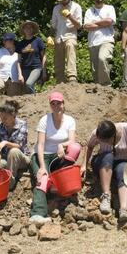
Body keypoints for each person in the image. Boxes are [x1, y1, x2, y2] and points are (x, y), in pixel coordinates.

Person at [81, 120, 127, 223]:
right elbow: (89, 147)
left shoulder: (126, 128)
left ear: (113, 136)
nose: (104, 143)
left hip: (121, 161)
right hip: (102, 162)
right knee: (108, 156)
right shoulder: (97, 133)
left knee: (124, 170)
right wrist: (83, 165)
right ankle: (106, 196)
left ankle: (124, 210)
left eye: (106, 141)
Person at [29, 91, 76, 225]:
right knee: (43, 178)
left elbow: (72, 141)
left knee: (76, 148)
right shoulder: (44, 120)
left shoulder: (70, 120)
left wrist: (62, 144)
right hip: (42, 155)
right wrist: (42, 167)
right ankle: (37, 214)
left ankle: (60, 181)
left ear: (63, 104)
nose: (56, 106)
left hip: (57, 156)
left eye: (59, 103)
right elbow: (40, 145)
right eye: (53, 103)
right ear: (50, 105)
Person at [83, 0, 117, 86]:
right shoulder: (89, 11)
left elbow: (109, 21)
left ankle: (106, 86)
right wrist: (102, 23)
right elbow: (86, 26)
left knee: (103, 58)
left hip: (106, 40)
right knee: (95, 69)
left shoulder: (109, 8)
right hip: (93, 42)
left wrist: (95, 23)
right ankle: (99, 90)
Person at [50, 0, 83, 83]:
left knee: (70, 46)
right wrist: (51, 37)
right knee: (58, 60)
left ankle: (72, 77)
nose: (62, 1)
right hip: (58, 37)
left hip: (70, 35)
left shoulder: (76, 7)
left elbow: (79, 26)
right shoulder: (56, 8)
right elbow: (53, 25)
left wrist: (69, 16)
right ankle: (60, 81)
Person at [0, 33, 24, 100]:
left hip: (14, 79)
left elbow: (21, 64)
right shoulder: (0, 51)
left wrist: (21, 75)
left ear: (12, 41)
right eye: (4, 40)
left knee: (14, 99)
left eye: (6, 40)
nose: (4, 42)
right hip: (0, 77)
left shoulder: (18, 52)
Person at [16, 21, 46, 93]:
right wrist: (20, 74)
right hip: (25, 69)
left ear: (33, 29)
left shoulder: (38, 41)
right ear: (23, 30)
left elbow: (43, 56)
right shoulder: (20, 44)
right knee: (25, 91)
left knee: (29, 84)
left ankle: (35, 100)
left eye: (30, 27)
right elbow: (18, 61)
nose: (28, 29)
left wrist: (44, 71)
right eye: (26, 27)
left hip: (36, 67)